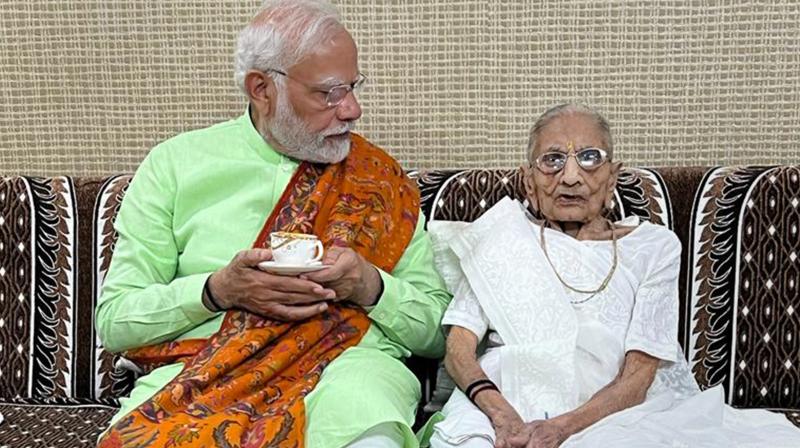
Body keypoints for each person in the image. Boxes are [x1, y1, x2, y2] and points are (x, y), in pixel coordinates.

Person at [94, 1, 450, 447]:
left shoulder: (378, 180)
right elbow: (116, 322)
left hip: (346, 373)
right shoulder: (175, 165)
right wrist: (217, 291)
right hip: (201, 379)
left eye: (353, 87)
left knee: (366, 427)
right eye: (329, 93)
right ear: (261, 88)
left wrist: (369, 285)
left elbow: (441, 333)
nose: (352, 110)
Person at [425, 104, 800, 447]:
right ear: (528, 182)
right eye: (552, 160)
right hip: (502, 402)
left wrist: (562, 428)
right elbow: (459, 351)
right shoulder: (502, 238)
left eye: (589, 158)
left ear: (612, 177)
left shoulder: (653, 246)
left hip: (611, 413)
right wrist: (504, 417)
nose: (570, 177)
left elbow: (638, 377)